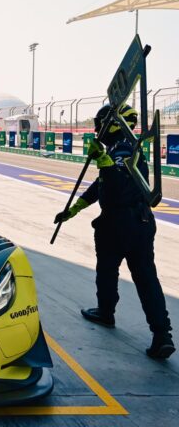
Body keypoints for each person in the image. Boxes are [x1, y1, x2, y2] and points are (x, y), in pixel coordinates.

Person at [55, 104, 174, 359]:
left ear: (112, 125)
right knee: (146, 278)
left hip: (119, 223)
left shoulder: (121, 150)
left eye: (100, 124)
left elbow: (116, 187)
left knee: (108, 271)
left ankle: (106, 312)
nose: (97, 129)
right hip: (140, 223)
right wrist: (73, 209)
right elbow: (101, 186)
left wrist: (103, 160)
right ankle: (162, 334)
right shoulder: (127, 147)